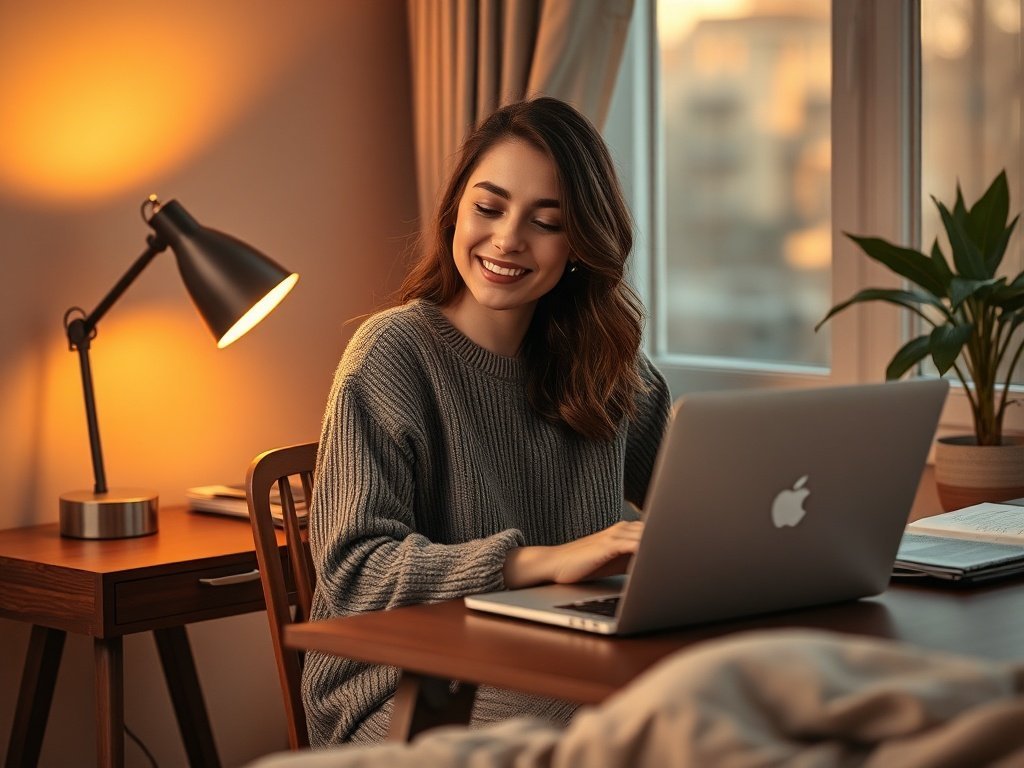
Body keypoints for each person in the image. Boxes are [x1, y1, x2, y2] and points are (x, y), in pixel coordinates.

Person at [302, 96, 672, 746]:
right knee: (626, 735)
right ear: (455, 211)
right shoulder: (392, 354)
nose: (507, 239)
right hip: (407, 684)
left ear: (579, 244)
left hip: (559, 656)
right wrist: (541, 562)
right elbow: (354, 572)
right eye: (489, 207)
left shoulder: (605, 365)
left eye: (546, 221)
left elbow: (691, 511)